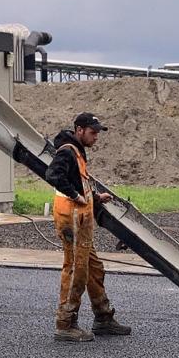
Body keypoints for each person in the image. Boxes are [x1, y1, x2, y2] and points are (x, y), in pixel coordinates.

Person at [44, 112, 132, 343]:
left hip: (79, 220)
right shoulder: (67, 151)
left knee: (94, 268)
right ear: (79, 130)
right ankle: (65, 323)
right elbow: (53, 175)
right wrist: (76, 196)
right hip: (72, 219)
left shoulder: (76, 151)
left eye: (97, 133)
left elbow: (75, 180)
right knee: (76, 270)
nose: (96, 137)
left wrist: (94, 196)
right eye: (93, 132)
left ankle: (103, 317)